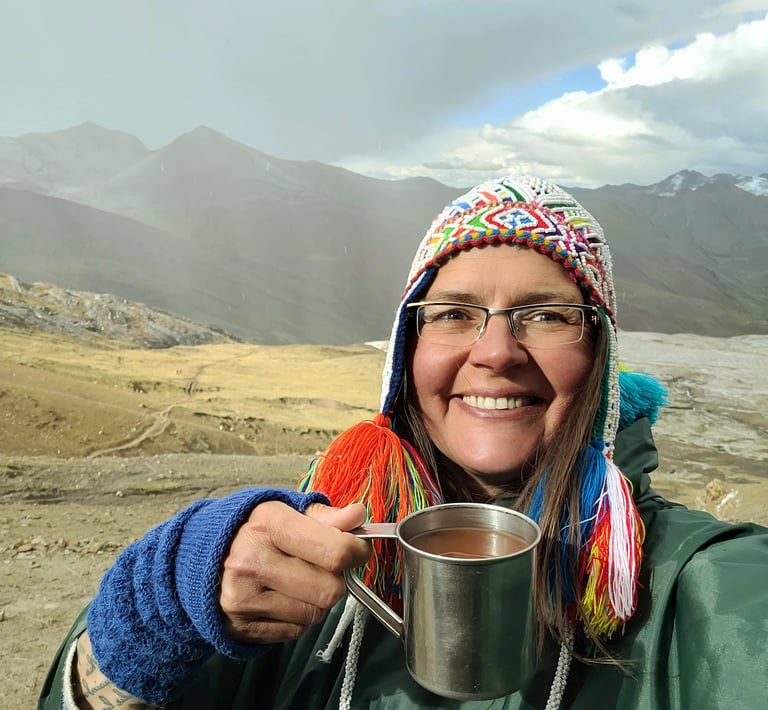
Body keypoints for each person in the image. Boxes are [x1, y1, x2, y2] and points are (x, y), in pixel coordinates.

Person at [39, 176, 768, 709]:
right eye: (452, 313)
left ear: (601, 359)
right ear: (405, 354)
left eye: (546, 316)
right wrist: (158, 609)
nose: (495, 351)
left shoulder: (706, 587)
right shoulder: (302, 564)